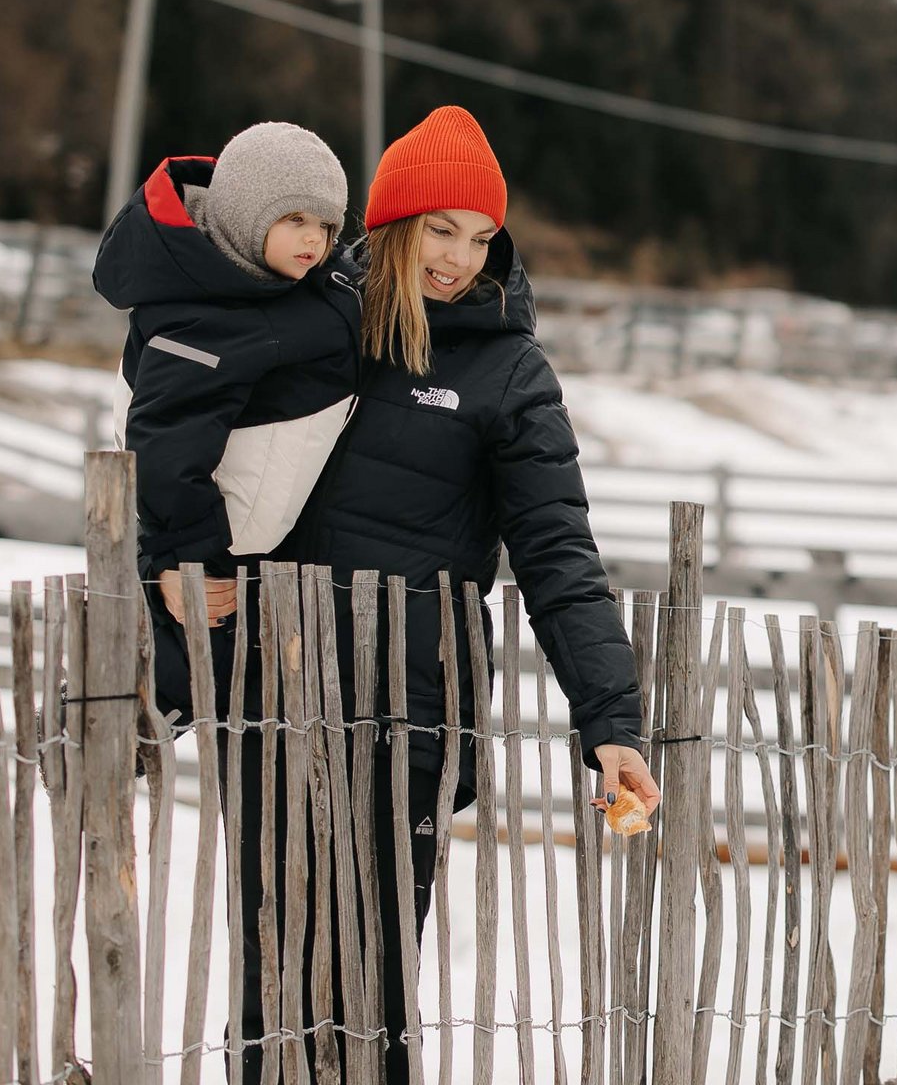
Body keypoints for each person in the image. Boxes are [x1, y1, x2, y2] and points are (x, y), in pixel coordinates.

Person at [264, 104, 660, 1080]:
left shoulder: (510, 370)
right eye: (441, 228)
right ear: (394, 221)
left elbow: (558, 551)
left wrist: (610, 717)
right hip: (279, 697)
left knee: (374, 988)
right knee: (271, 976)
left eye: (480, 236)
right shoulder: (314, 328)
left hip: (412, 714)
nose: (458, 256)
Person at [91, 121, 360, 722]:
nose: (314, 241)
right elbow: (165, 447)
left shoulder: (291, 285)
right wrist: (191, 560)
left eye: (327, 226)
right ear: (243, 214)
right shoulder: (200, 315)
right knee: (164, 688)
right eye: (294, 221)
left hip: (265, 548)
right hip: (214, 548)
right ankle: (98, 730)